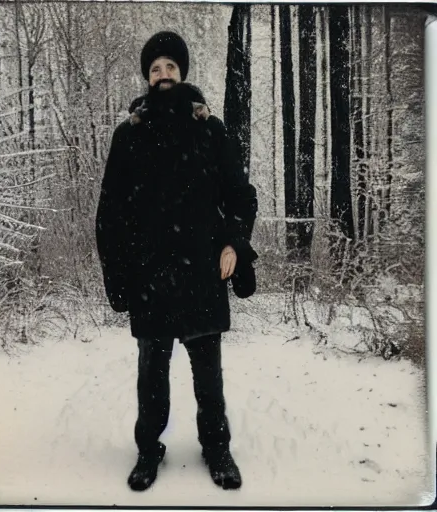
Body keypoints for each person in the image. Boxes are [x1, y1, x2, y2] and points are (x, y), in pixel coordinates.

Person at [95, 31, 258, 492]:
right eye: (154, 69)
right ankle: (149, 449)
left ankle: (217, 447)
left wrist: (233, 244)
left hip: (203, 271)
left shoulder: (210, 130)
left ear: (182, 72)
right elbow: (111, 214)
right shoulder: (129, 136)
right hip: (150, 275)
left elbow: (240, 196)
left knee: (209, 374)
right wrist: (121, 275)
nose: (162, 75)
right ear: (147, 79)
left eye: (169, 66)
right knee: (152, 374)